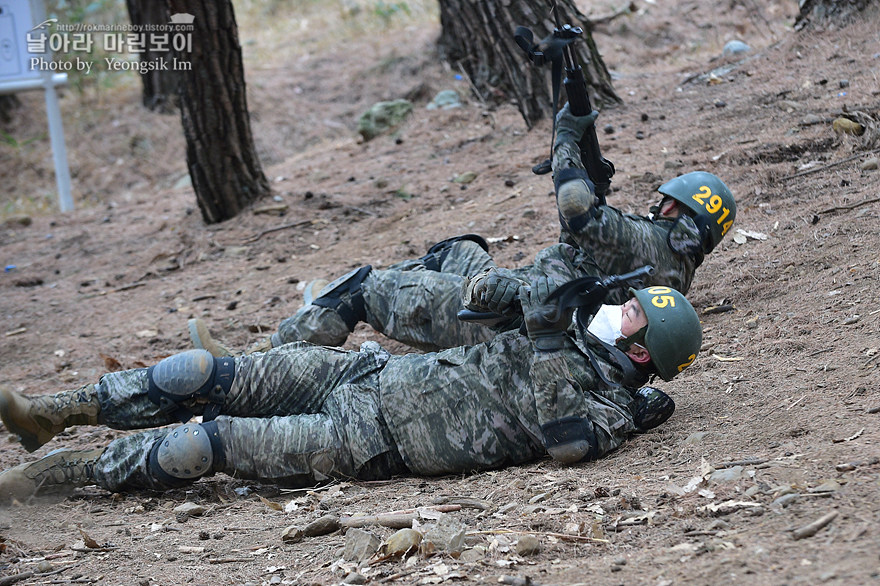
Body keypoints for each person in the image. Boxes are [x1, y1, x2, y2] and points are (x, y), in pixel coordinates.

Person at [0, 280, 701, 502]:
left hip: (372, 442)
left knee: (201, 445)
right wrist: (534, 294)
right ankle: (56, 415)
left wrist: (547, 344)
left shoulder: (611, 407)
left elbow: (569, 446)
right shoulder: (569, 326)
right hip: (365, 375)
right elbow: (476, 300)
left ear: (641, 350)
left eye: (633, 311)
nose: (620, 306)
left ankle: (54, 477)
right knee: (200, 373)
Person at [188, 104, 735, 356]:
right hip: (525, 297)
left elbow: (577, 208)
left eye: (663, 202)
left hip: (507, 321)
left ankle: (251, 359)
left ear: (675, 211)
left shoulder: (646, 244)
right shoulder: (670, 272)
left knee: (363, 288)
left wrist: (566, 141)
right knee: (460, 250)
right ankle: (331, 313)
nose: (655, 206)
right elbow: (593, 243)